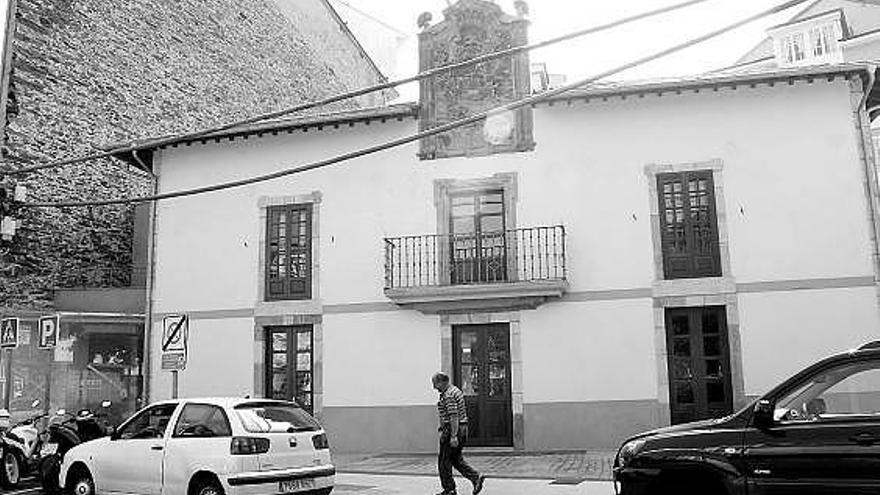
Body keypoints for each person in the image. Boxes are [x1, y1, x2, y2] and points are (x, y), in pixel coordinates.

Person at [432, 371, 486, 495]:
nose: (434, 387)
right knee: (456, 459)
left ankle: (449, 490)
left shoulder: (449, 395)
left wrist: (453, 436)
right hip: (462, 428)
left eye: (435, 383)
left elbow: (453, 416)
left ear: (441, 382)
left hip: (453, 429)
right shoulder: (455, 390)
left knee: (444, 462)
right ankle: (475, 477)